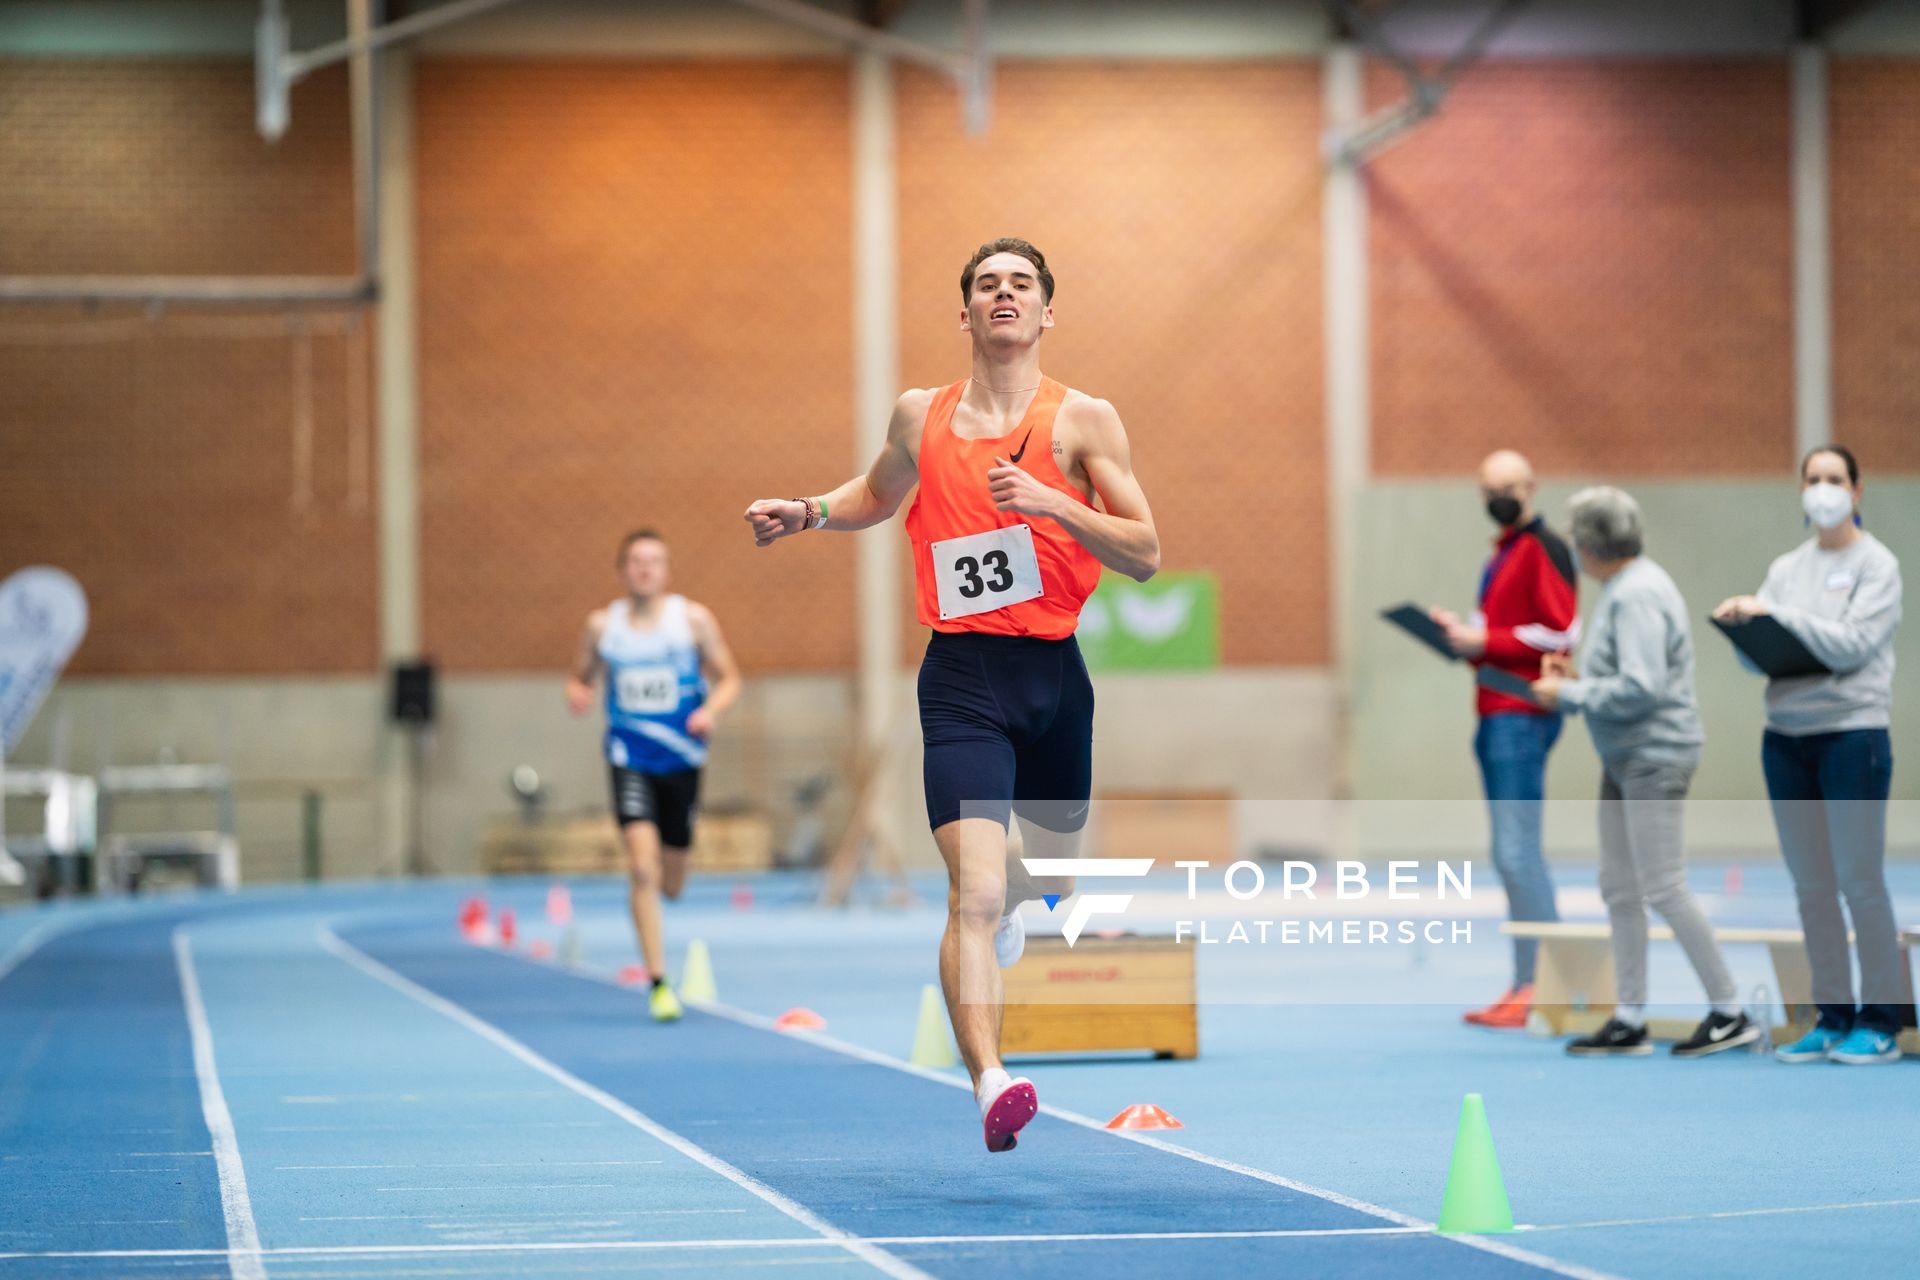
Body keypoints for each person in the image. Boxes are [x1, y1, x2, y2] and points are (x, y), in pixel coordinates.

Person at [744, 238, 1159, 1152]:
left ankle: (1016, 906)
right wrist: (809, 512)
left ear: (1047, 313)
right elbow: (877, 493)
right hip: (963, 676)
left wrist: (1056, 506)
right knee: (971, 891)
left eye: (1021, 285)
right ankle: (992, 1082)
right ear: (964, 313)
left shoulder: (1084, 422)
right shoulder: (918, 415)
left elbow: (1144, 551)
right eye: (986, 284)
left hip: (1055, 678)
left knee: (1044, 877)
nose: (1002, 295)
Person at [1533, 487, 1755, 1057]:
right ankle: (1629, 1016)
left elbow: (1642, 686)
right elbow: (1629, 672)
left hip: (1654, 753)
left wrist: (1569, 692)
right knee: (1620, 887)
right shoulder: (1624, 589)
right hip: (1624, 754)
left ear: (1589, 544)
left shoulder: (1636, 595)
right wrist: (1576, 676)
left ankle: (1730, 1010)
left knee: (1663, 885)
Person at [1714, 445, 1905, 1065]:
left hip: (1852, 736)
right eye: (1813, 479)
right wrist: (1747, 626)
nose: (1823, 488)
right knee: (1812, 888)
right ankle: (1831, 1014)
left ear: (1857, 489)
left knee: (1860, 882)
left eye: (1835, 478)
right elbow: (1759, 657)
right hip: (1786, 740)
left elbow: (1851, 646)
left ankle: (1880, 1020)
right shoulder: (1786, 568)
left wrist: (1779, 616)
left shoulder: (1877, 564)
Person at [567, 529, 742, 1023]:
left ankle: (668, 881)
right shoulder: (603, 626)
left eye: (654, 562)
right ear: (623, 571)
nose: (644, 570)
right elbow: (580, 675)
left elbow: (730, 677)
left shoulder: (691, 620)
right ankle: (658, 982)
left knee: (672, 880)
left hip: (682, 760)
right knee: (641, 870)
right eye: (636, 562)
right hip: (629, 758)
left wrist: (711, 709)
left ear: (666, 571)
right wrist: (577, 692)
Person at [1430, 450, 1578, 1029]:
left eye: (1508, 487)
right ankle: (1528, 981)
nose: (1499, 497)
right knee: (1509, 855)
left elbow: (1561, 631)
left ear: (1531, 487)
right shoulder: (1503, 551)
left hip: (1522, 714)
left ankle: (1547, 983)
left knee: (1519, 854)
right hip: (1495, 709)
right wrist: (1462, 638)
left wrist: (1485, 638)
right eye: (1488, 489)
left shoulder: (1544, 547)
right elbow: (1497, 636)